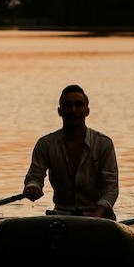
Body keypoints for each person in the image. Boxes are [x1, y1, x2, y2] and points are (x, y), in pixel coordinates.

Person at [22, 84, 117, 219]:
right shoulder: (45, 144)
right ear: (60, 111)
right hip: (62, 216)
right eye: (68, 105)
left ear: (87, 111)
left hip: (99, 217)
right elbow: (34, 177)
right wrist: (33, 187)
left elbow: (111, 188)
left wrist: (95, 217)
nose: (73, 110)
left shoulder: (104, 144)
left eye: (79, 105)